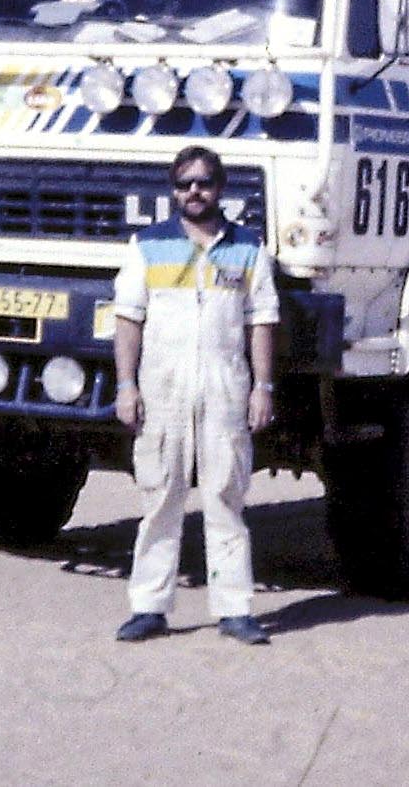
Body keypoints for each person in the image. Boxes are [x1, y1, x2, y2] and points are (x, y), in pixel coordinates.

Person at [110, 144, 278, 645]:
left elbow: (262, 320)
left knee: (225, 498)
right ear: (174, 191)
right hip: (163, 391)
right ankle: (149, 608)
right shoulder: (147, 246)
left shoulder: (247, 248)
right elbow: (128, 318)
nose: (194, 191)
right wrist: (126, 385)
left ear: (219, 188)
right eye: (185, 184)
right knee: (161, 499)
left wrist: (263, 387)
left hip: (225, 391)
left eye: (203, 182)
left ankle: (235, 610)